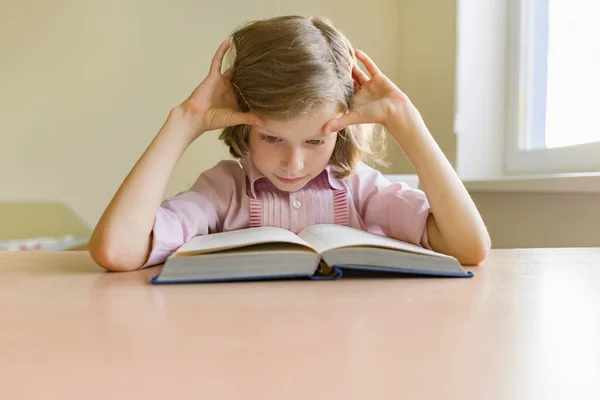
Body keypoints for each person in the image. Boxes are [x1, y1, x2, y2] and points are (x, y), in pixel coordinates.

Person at [89, 15, 491, 272]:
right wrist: (185, 122)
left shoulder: (359, 189)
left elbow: (470, 247)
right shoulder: (224, 191)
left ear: (343, 127)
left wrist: (409, 125)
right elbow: (117, 251)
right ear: (244, 125)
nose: (293, 163)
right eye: (272, 138)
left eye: (316, 140)